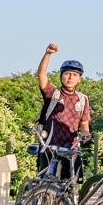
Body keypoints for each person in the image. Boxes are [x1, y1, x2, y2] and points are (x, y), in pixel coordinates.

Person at [34, 43, 90, 179]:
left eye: (74, 75)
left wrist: (86, 134)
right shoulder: (53, 93)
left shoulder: (82, 99)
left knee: (71, 184)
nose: (70, 77)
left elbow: (84, 123)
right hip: (49, 146)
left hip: (71, 148)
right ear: (61, 76)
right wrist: (48, 54)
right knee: (47, 183)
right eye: (67, 74)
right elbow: (41, 75)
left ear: (79, 79)